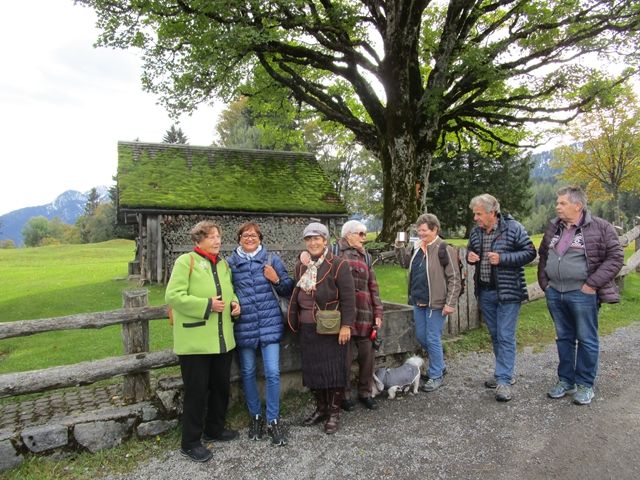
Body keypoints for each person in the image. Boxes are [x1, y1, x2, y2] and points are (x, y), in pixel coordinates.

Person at [538, 186, 623, 405]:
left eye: (562, 203)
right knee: (564, 338)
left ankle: (585, 385)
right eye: (557, 203)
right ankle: (566, 381)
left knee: (586, 339)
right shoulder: (554, 227)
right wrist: (546, 284)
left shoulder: (600, 227)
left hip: (582, 293)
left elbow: (615, 257)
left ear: (577, 206)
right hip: (555, 292)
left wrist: (591, 285)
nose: (557, 207)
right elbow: (543, 255)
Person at [165, 220, 241, 463]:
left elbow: (229, 290)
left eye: (218, 236)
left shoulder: (223, 264)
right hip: (195, 343)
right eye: (211, 237)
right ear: (199, 240)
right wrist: (207, 305)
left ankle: (214, 429)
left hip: (222, 340)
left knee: (220, 388)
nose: (217, 240)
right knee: (196, 392)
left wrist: (235, 302)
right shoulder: (185, 262)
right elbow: (173, 296)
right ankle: (190, 442)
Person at [227, 222, 294, 446]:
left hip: (270, 324)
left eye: (254, 235)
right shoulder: (230, 264)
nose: (249, 238)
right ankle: (255, 416)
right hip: (244, 325)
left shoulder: (272, 260)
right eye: (245, 235)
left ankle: (273, 419)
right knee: (247, 372)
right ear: (239, 239)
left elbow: (288, 287)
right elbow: (226, 291)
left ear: (260, 239)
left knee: (273, 372)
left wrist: (276, 279)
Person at [288, 222, 356, 434]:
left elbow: (349, 299)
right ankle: (321, 408)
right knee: (313, 371)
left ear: (325, 241)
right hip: (307, 327)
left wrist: (346, 326)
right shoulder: (301, 266)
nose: (313, 243)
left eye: (317, 238)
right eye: (309, 239)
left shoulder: (338, 264)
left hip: (331, 328)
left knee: (334, 371)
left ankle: (334, 414)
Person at [467, 194, 536, 402]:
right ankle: (502, 373)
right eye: (475, 214)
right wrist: (470, 256)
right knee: (496, 335)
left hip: (508, 292)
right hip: (485, 292)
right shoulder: (476, 232)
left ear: (492, 212)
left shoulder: (513, 228)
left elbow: (530, 252)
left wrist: (503, 258)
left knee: (505, 335)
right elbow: (471, 250)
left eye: (479, 214)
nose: (475, 218)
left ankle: (504, 380)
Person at [395, 213, 462, 393]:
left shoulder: (444, 249)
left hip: (436, 303)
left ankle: (436, 375)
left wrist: (450, 303)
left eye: (424, 230)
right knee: (421, 337)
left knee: (432, 338)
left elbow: (454, 278)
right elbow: (404, 263)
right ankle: (439, 365)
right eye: (419, 230)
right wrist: (399, 246)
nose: (421, 233)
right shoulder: (417, 247)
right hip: (418, 300)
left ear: (435, 229)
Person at [332, 220, 383, 411]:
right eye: (361, 234)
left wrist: (378, 312)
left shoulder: (366, 257)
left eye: (365, 234)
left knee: (367, 356)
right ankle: (343, 395)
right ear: (348, 235)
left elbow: (373, 287)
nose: (364, 238)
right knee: (343, 358)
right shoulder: (334, 251)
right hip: (342, 313)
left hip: (364, 313)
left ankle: (365, 393)